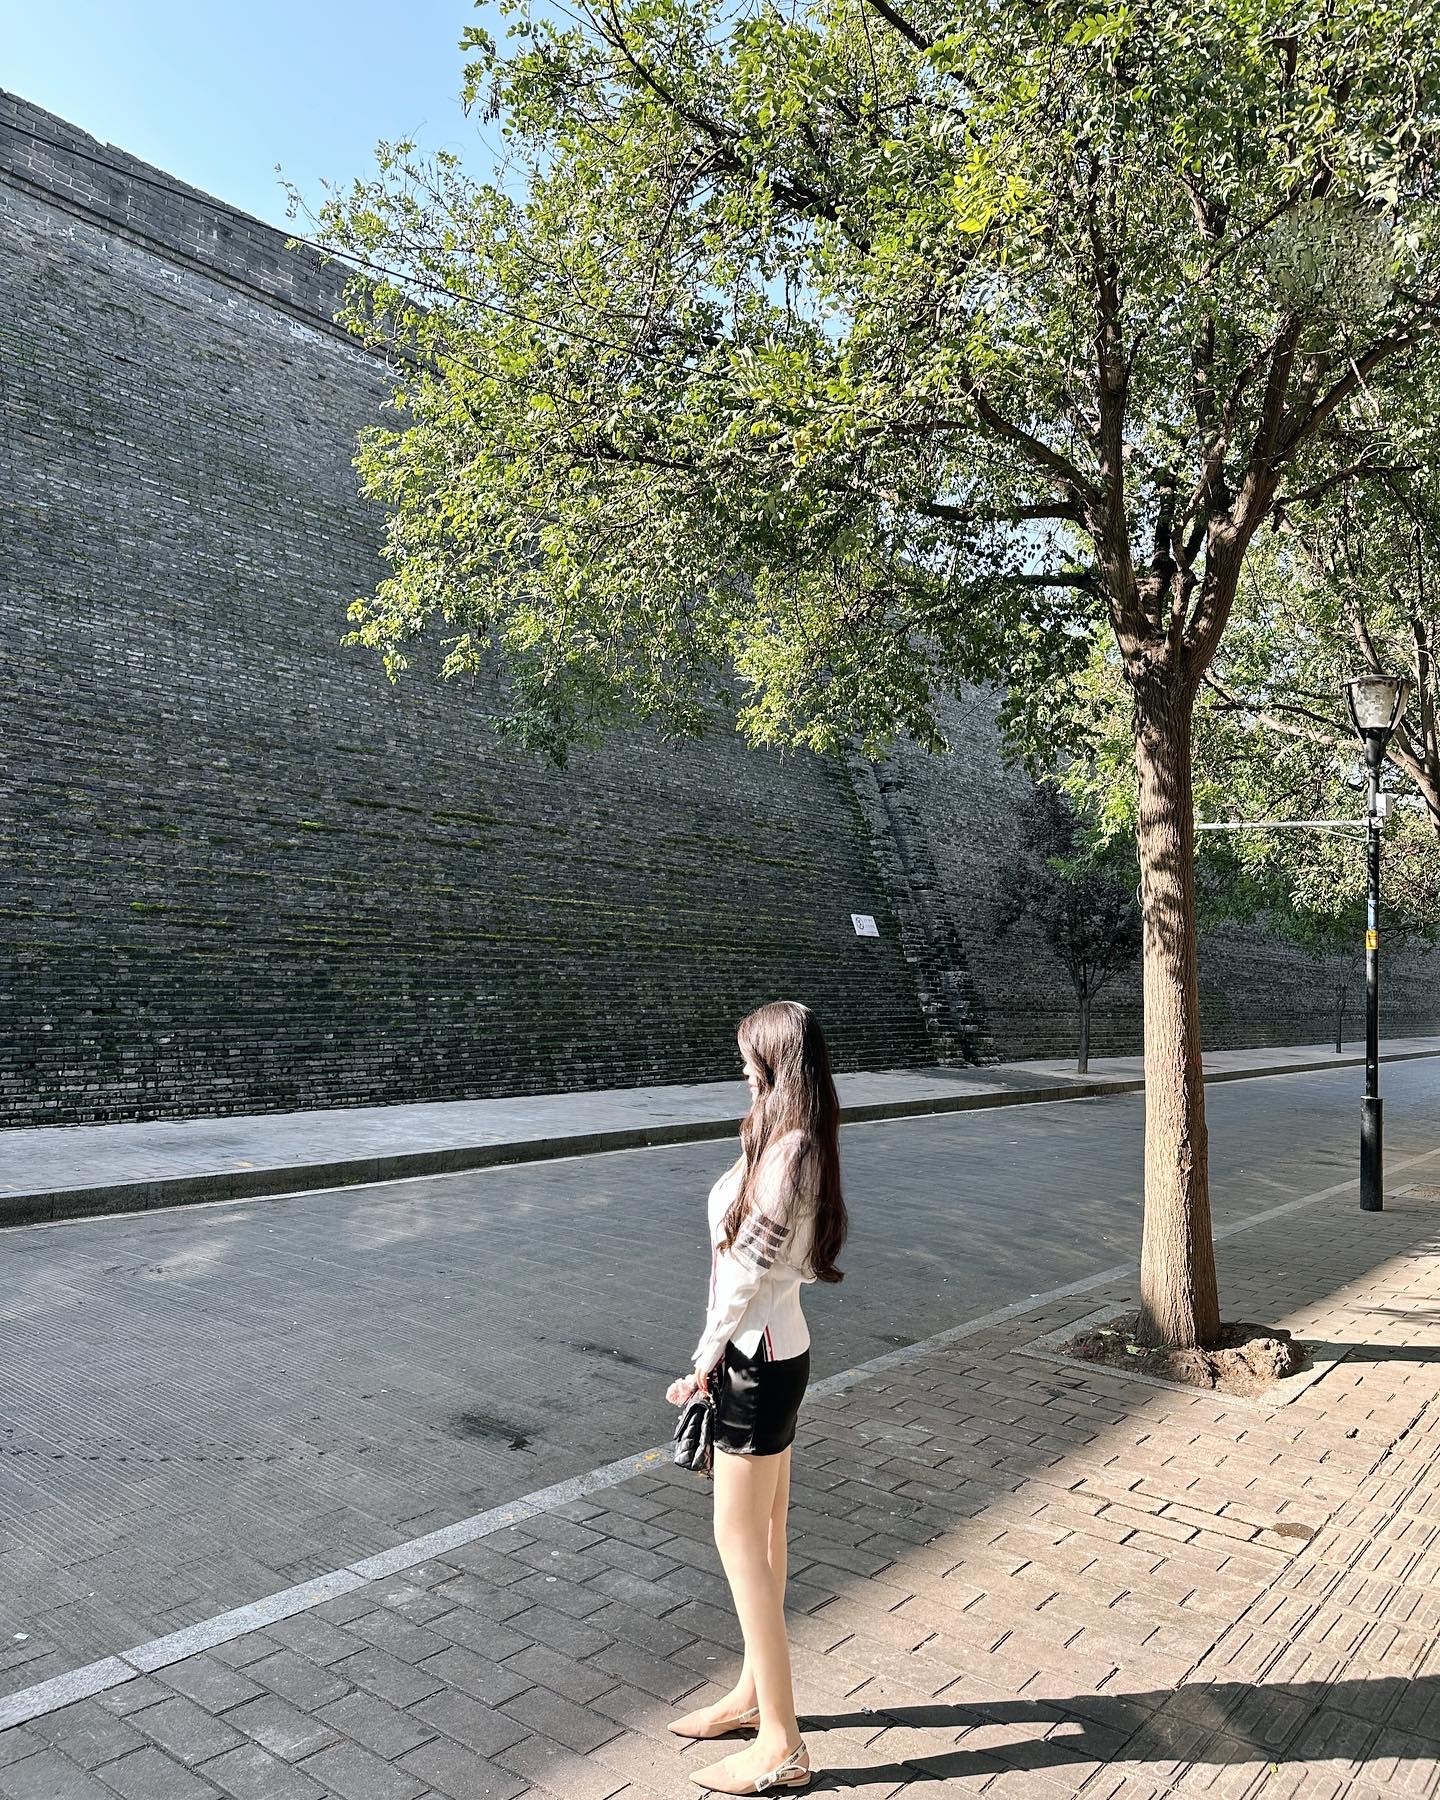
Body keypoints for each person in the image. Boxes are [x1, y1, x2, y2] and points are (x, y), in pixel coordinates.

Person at [665, 999, 848, 1795]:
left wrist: (702, 1363)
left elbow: (743, 1274)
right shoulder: (796, 1140)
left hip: (754, 1363)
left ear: (777, 1064)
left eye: (751, 1060)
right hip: (779, 1355)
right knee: (765, 1535)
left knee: (739, 1539)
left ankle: (782, 1741)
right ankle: (752, 1697)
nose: (743, 1070)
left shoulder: (789, 1151)